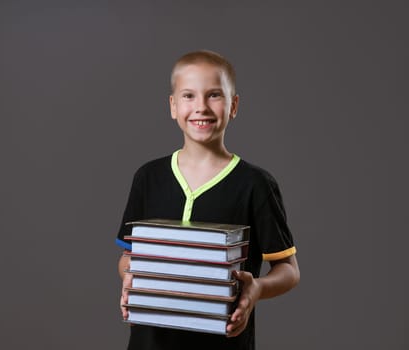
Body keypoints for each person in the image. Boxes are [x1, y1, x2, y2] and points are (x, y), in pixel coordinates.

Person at [115, 50, 300, 350]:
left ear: (234, 105)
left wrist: (256, 289)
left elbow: (289, 270)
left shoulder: (255, 184)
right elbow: (128, 257)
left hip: (224, 342)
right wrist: (131, 276)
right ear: (173, 106)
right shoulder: (148, 177)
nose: (201, 107)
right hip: (150, 342)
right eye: (188, 96)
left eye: (214, 95)